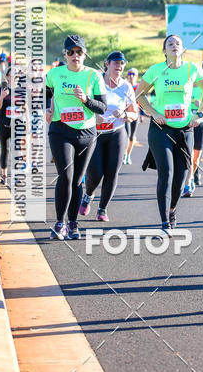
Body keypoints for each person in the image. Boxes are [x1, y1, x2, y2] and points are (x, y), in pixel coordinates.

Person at [136, 35, 203, 232]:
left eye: (178, 43)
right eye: (170, 43)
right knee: (166, 173)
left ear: (183, 49)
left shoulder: (192, 69)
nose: (174, 46)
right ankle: (164, 222)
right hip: (161, 129)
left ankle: (172, 210)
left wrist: (200, 114)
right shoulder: (156, 70)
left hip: (185, 129)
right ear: (164, 51)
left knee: (181, 177)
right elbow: (139, 94)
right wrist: (153, 113)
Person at [45, 35, 107, 241]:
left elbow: (102, 107)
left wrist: (85, 99)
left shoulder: (94, 76)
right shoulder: (55, 74)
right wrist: (47, 108)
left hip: (86, 134)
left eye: (79, 52)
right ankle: (59, 223)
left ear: (84, 54)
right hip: (60, 130)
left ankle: (73, 223)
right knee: (66, 176)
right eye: (70, 52)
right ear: (65, 55)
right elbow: (43, 94)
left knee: (78, 180)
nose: (75, 55)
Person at [79, 51, 137, 221]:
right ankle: (88, 195)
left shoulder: (126, 87)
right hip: (95, 133)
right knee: (96, 173)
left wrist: (125, 115)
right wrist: (93, 116)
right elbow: (83, 103)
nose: (119, 66)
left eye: (122, 64)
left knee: (112, 173)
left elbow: (134, 114)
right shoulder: (96, 81)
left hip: (116, 133)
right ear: (107, 64)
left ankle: (102, 209)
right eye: (116, 63)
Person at [183, 80, 203, 197]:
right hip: (186, 123)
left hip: (201, 124)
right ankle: (187, 183)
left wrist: (202, 105)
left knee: (195, 157)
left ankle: (191, 177)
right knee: (189, 154)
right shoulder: (184, 86)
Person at [123, 66, 141, 165]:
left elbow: (142, 100)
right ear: (127, 75)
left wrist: (141, 114)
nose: (131, 76)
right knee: (127, 134)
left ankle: (128, 155)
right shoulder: (124, 86)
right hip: (126, 114)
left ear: (137, 76)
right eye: (129, 74)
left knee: (132, 136)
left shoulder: (138, 87)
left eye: (133, 74)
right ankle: (124, 154)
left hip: (135, 114)